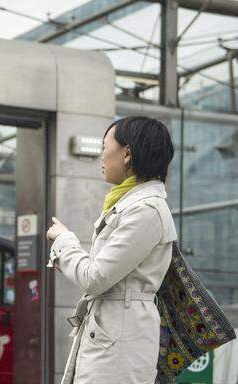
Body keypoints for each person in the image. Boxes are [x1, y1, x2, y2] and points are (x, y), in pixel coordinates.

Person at [46, 116, 177, 384]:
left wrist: (64, 241)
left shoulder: (146, 211)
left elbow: (95, 278)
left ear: (127, 154)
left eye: (105, 147)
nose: (101, 157)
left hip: (121, 342)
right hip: (115, 333)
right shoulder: (131, 205)